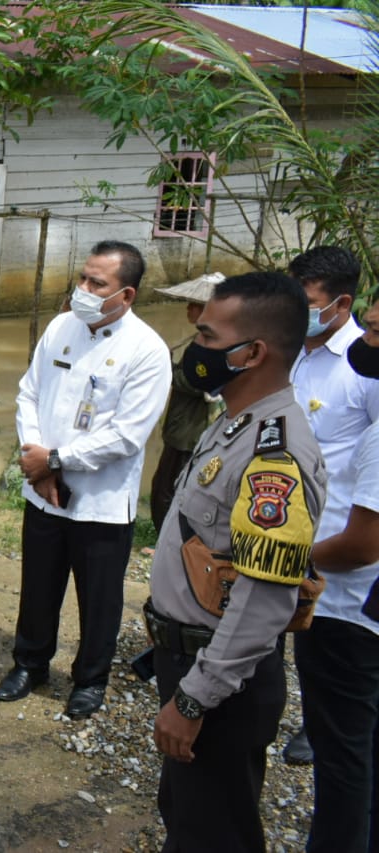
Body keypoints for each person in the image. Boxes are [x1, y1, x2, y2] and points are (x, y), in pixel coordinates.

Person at [144, 270, 326, 851]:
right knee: (187, 815)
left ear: (253, 353)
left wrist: (196, 697)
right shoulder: (233, 421)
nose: (196, 350)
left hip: (221, 683)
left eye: (206, 336)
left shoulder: (276, 451)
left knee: (215, 833)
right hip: (193, 662)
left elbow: (265, 596)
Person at [0, 241, 170, 719]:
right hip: (45, 494)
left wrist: (54, 460)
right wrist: (37, 457)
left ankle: (90, 680)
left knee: (99, 599)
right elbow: (28, 394)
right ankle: (30, 664)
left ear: (126, 295)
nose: (84, 290)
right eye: (82, 278)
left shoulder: (147, 351)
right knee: (38, 586)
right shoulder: (61, 327)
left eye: (98, 284)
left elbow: (127, 437)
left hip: (101, 503)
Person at [283, 245, 379, 767]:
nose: (298, 314)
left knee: (337, 650)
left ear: (342, 303)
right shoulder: (295, 352)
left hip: (345, 544)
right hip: (289, 526)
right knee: (295, 636)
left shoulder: (365, 364)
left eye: (308, 302)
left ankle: (318, 726)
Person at [295, 298, 379, 851]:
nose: (365, 336)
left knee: (341, 754)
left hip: (349, 610)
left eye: (374, 329)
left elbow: (361, 545)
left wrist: (290, 562)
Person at [149, 272, 223, 532]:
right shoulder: (199, 341)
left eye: (194, 305)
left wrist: (164, 367)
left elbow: (196, 382)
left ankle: (168, 538)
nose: (188, 309)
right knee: (166, 485)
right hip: (182, 427)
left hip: (189, 431)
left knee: (169, 488)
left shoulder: (209, 345)